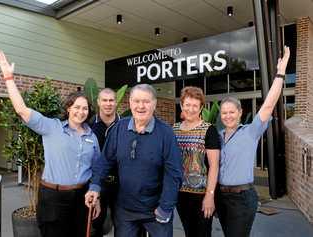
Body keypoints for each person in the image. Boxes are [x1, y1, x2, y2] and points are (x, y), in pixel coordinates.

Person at [0, 49, 101, 237]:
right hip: (53, 198)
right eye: (77, 107)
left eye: (85, 108)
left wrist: (96, 194)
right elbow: (21, 109)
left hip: (82, 198)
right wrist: (8, 77)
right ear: (68, 109)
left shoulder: (91, 137)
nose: (81, 111)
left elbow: (97, 169)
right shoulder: (51, 127)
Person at [85, 84, 183, 237]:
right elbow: (105, 161)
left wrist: (166, 207)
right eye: (136, 101)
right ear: (130, 103)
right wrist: (95, 185)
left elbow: (174, 173)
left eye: (146, 101)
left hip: (156, 210)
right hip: (125, 210)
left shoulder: (166, 133)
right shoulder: (119, 128)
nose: (141, 106)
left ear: (154, 104)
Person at [216, 46, 290, 237]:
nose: (228, 115)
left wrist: (281, 73)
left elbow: (268, 105)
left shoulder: (250, 132)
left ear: (240, 113)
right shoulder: (217, 136)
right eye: (224, 112)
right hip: (221, 198)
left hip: (243, 198)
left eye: (232, 111)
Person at [173, 86, 220, 237]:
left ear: (201, 107)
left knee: (202, 234)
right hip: (180, 195)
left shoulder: (209, 130)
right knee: (188, 232)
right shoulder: (173, 129)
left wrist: (210, 196)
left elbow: (214, 166)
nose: (191, 109)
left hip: (202, 196)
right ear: (181, 105)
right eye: (187, 105)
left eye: (195, 105)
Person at [90, 88, 120, 237]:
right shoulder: (89, 126)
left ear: (116, 102)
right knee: (96, 224)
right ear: (98, 102)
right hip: (96, 184)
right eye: (104, 100)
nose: (108, 104)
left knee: (122, 225)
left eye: (111, 100)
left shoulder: (126, 125)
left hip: (121, 185)